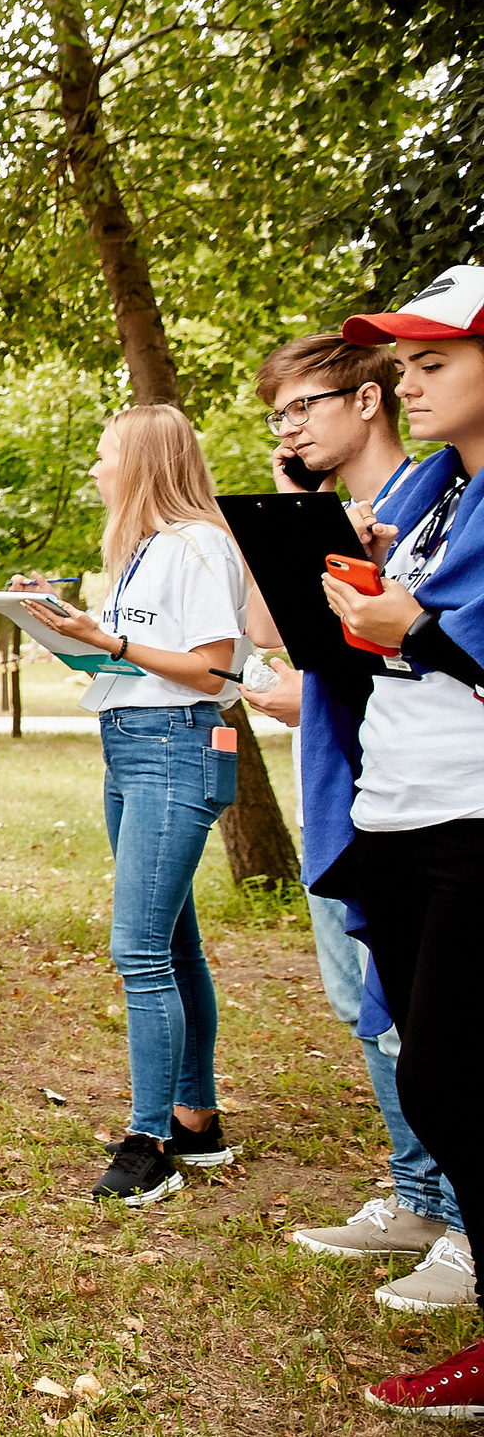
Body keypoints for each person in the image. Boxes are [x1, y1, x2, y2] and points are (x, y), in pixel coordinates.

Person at [236, 336, 468, 1309]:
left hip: (438, 801)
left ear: (367, 401)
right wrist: (295, 510)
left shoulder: (436, 494)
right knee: (372, 1014)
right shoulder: (359, 511)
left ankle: (459, 1227)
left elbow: (430, 640)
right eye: (279, 416)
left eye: (304, 408)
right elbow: (265, 630)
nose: (289, 429)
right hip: (359, 783)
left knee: (441, 1040)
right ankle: (421, 1197)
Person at [303, 266, 484, 1419]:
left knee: (450, 1080)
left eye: (432, 364)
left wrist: (413, 625)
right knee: (439, 1073)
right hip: (399, 812)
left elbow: (443, 641)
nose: (403, 384)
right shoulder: (433, 496)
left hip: (474, 819)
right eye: (401, 364)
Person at [16, 404, 249, 1206]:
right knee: (175, 942)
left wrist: (109, 641)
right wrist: (62, 624)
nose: (95, 467)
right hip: (128, 745)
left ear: (144, 461)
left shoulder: (198, 545)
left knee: (140, 949)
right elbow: (127, 664)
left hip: (177, 748)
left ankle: (150, 1139)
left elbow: (214, 672)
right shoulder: (140, 551)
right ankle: (196, 1118)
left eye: (106, 453)